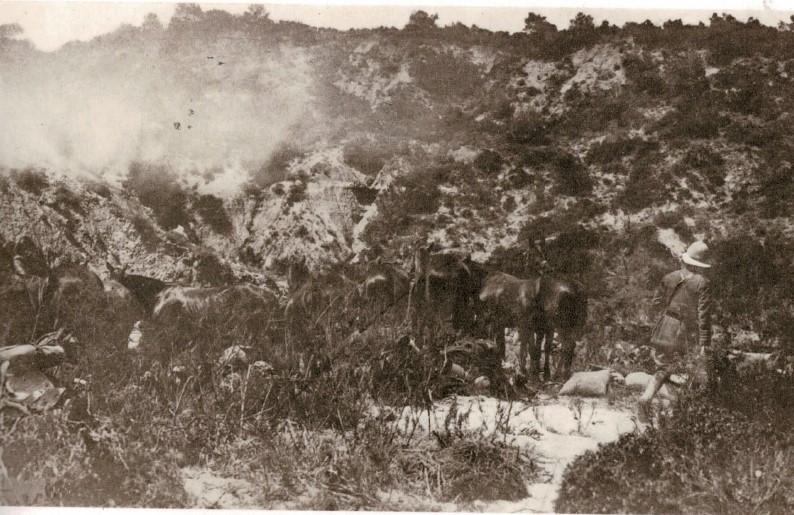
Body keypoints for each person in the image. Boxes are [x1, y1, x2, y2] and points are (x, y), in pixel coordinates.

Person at [639, 240, 714, 422]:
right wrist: (705, 342)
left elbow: (656, 303)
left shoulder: (669, 277)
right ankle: (674, 413)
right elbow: (703, 316)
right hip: (684, 332)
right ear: (700, 264)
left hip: (665, 326)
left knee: (663, 367)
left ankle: (646, 398)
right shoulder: (703, 283)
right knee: (683, 370)